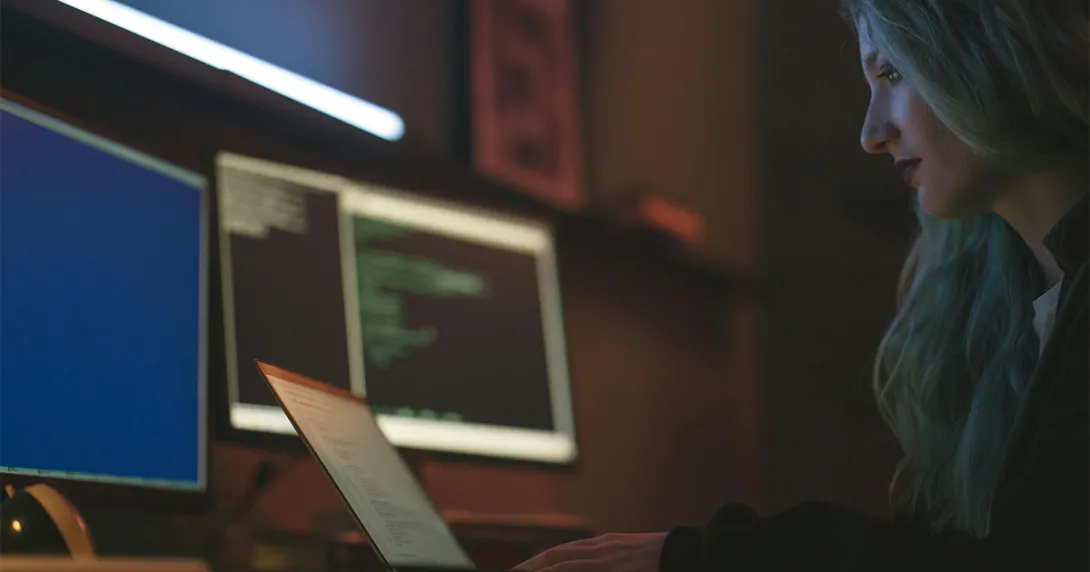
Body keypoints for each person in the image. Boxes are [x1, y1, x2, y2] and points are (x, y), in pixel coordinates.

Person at [516, 0, 1088, 570]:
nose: (871, 134)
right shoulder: (1008, 312)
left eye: (891, 73)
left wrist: (708, 559)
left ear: (998, 51)